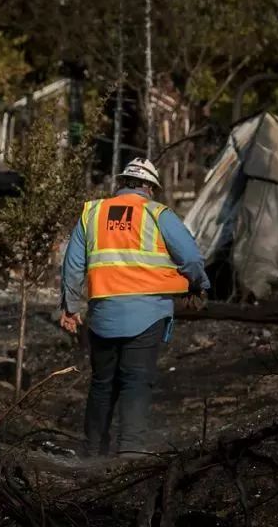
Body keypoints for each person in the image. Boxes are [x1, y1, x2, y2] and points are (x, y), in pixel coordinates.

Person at [59, 157, 210, 458]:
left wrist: (71, 307)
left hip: (103, 315)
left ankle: (92, 453)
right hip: (147, 314)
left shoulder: (93, 213)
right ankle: (131, 453)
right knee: (136, 382)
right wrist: (198, 285)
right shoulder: (158, 215)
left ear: (121, 182)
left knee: (102, 384)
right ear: (150, 187)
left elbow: (73, 265)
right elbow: (191, 259)